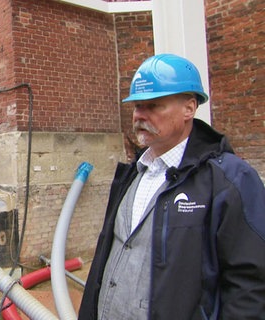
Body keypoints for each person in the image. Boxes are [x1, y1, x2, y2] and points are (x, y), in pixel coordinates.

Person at [79, 54, 265, 319]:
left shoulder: (229, 179)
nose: (140, 116)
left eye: (153, 106)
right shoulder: (131, 175)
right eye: (136, 106)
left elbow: (250, 283)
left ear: (189, 108)